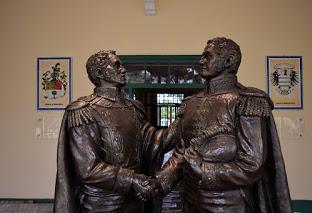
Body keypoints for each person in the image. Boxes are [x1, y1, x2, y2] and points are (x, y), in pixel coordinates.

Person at [153, 37, 293, 212]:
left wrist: (204, 170)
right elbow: (181, 155)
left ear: (229, 61)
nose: (201, 61)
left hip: (230, 205)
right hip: (190, 203)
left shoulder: (247, 101)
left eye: (208, 56)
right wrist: (159, 183)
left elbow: (252, 165)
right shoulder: (191, 103)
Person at [54, 50, 175, 213]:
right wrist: (133, 180)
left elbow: (153, 142)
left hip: (136, 201)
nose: (123, 69)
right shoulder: (83, 111)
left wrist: (184, 120)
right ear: (99, 73)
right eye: (116, 65)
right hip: (103, 205)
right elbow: (88, 168)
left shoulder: (134, 108)